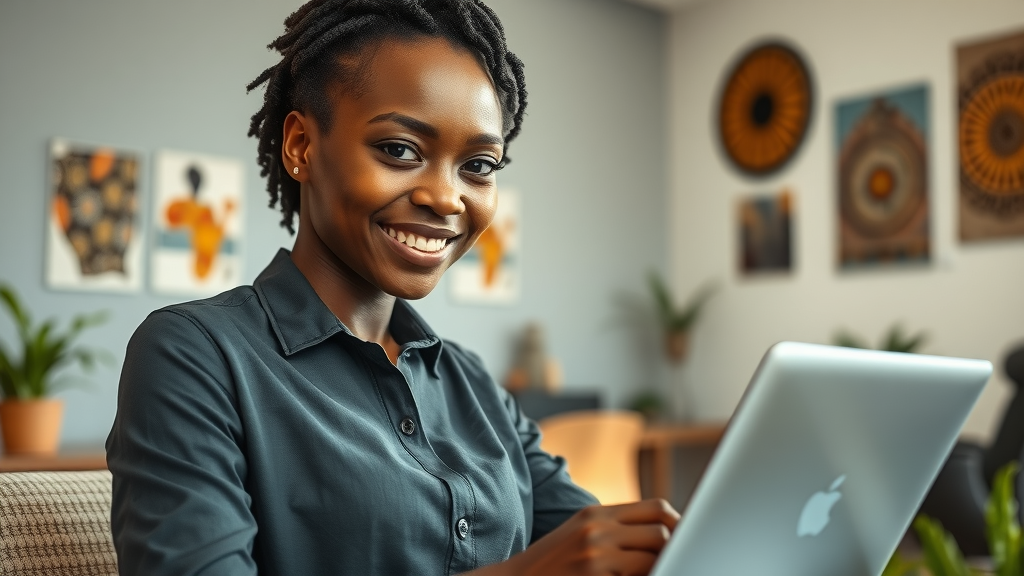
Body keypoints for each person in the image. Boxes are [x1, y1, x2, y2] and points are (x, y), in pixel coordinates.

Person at [106, 1, 679, 574]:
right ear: (301, 146)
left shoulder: (472, 383)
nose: (447, 197)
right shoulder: (193, 355)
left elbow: (599, 548)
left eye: (479, 165)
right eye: (400, 150)